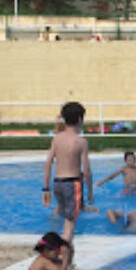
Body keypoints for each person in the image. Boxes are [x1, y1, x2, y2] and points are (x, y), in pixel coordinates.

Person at [42, 102, 93, 251]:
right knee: (69, 228)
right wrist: (89, 191)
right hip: (73, 184)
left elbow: (48, 163)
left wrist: (46, 188)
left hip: (57, 183)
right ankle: (59, 257)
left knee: (65, 220)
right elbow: (87, 170)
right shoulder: (81, 141)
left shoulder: (57, 139)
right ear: (79, 119)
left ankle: (69, 262)